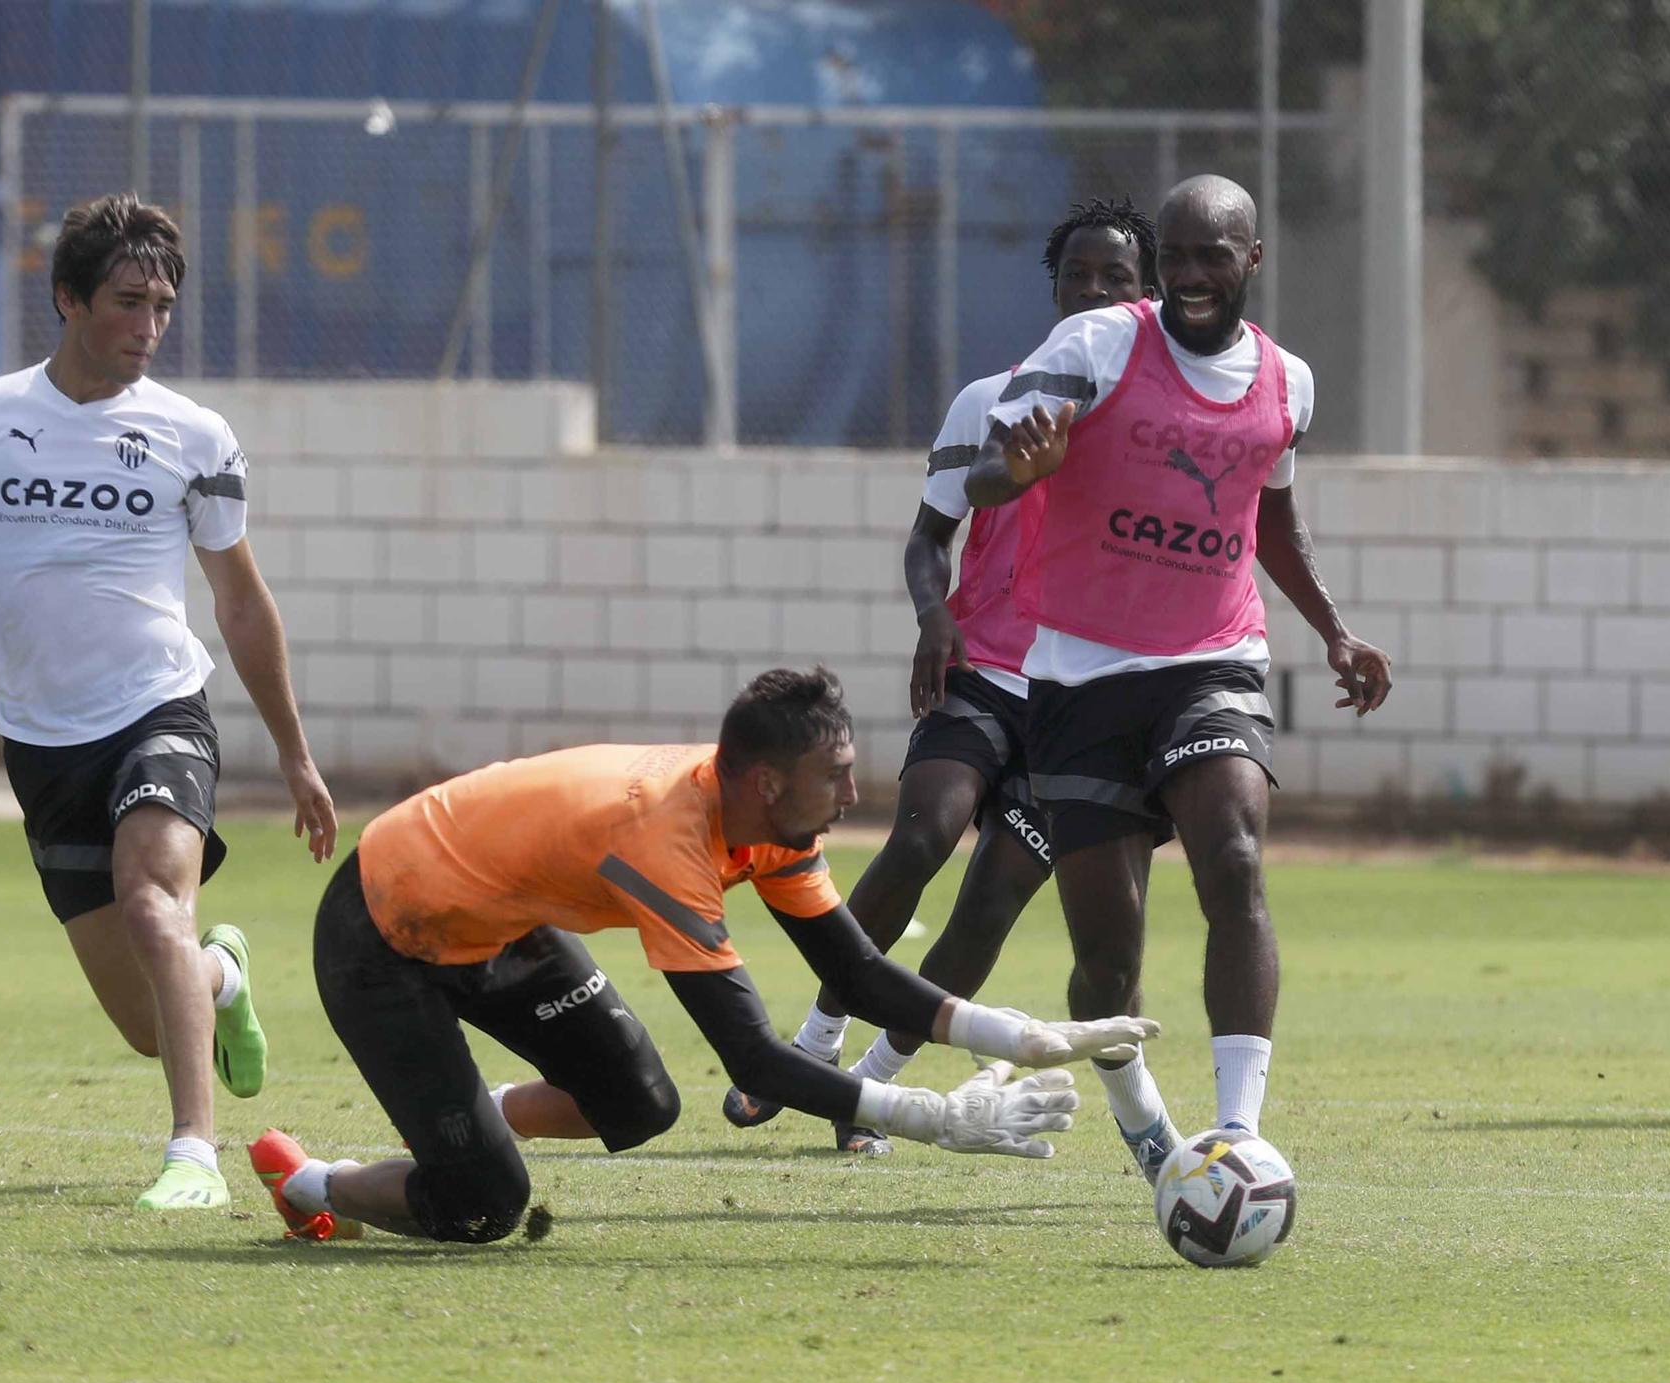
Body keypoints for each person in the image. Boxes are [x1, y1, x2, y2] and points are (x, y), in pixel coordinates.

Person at [247, 668, 1156, 1244]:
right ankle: (315, 1182)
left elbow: (856, 973)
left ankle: (459, 1118)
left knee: (639, 1102)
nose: (853, 790)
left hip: (493, 920)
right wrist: (934, 1117)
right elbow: (755, 1057)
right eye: (835, 775)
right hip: (384, 928)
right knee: (486, 1202)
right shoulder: (662, 840)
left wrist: (1019, 1034)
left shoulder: (773, 826)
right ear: (768, 784)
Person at [0, 193, 338, 1210]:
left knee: (150, 902)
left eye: (163, 305)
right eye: (128, 302)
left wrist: (295, 756)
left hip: (159, 709)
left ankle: (192, 1155)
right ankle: (222, 974)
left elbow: (242, 604)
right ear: (68, 300)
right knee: (145, 1016)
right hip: (41, 740)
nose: (149, 326)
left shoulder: (194, 434)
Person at [965, 174, 1393, 1181]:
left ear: (1251, 259)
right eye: (1176, 256)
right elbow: (988, 472)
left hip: (1211, 663)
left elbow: (1269, 514)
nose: (1192, 275)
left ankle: (1239, 1130)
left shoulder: (1285, 380)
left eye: (1214, 254)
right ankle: (1150, 1133)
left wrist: (1331, 630)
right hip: (1076, 678)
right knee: (1106, 956)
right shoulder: (1095, 346)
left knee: (1233, 860)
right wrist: (1017, 473)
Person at [722, 198, 1160, 1156]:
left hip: (1080, 702)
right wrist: (935, 613)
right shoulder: (988, 401)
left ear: (1147, 300)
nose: (1092, 291)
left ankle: (869, 1091)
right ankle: (816, 1042)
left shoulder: (1150, 434)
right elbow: (930, 538)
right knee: (921, 838)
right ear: (1054, 290)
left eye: (1115, 279)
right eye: (1076, 275)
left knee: (989, 908)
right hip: (983, 676)